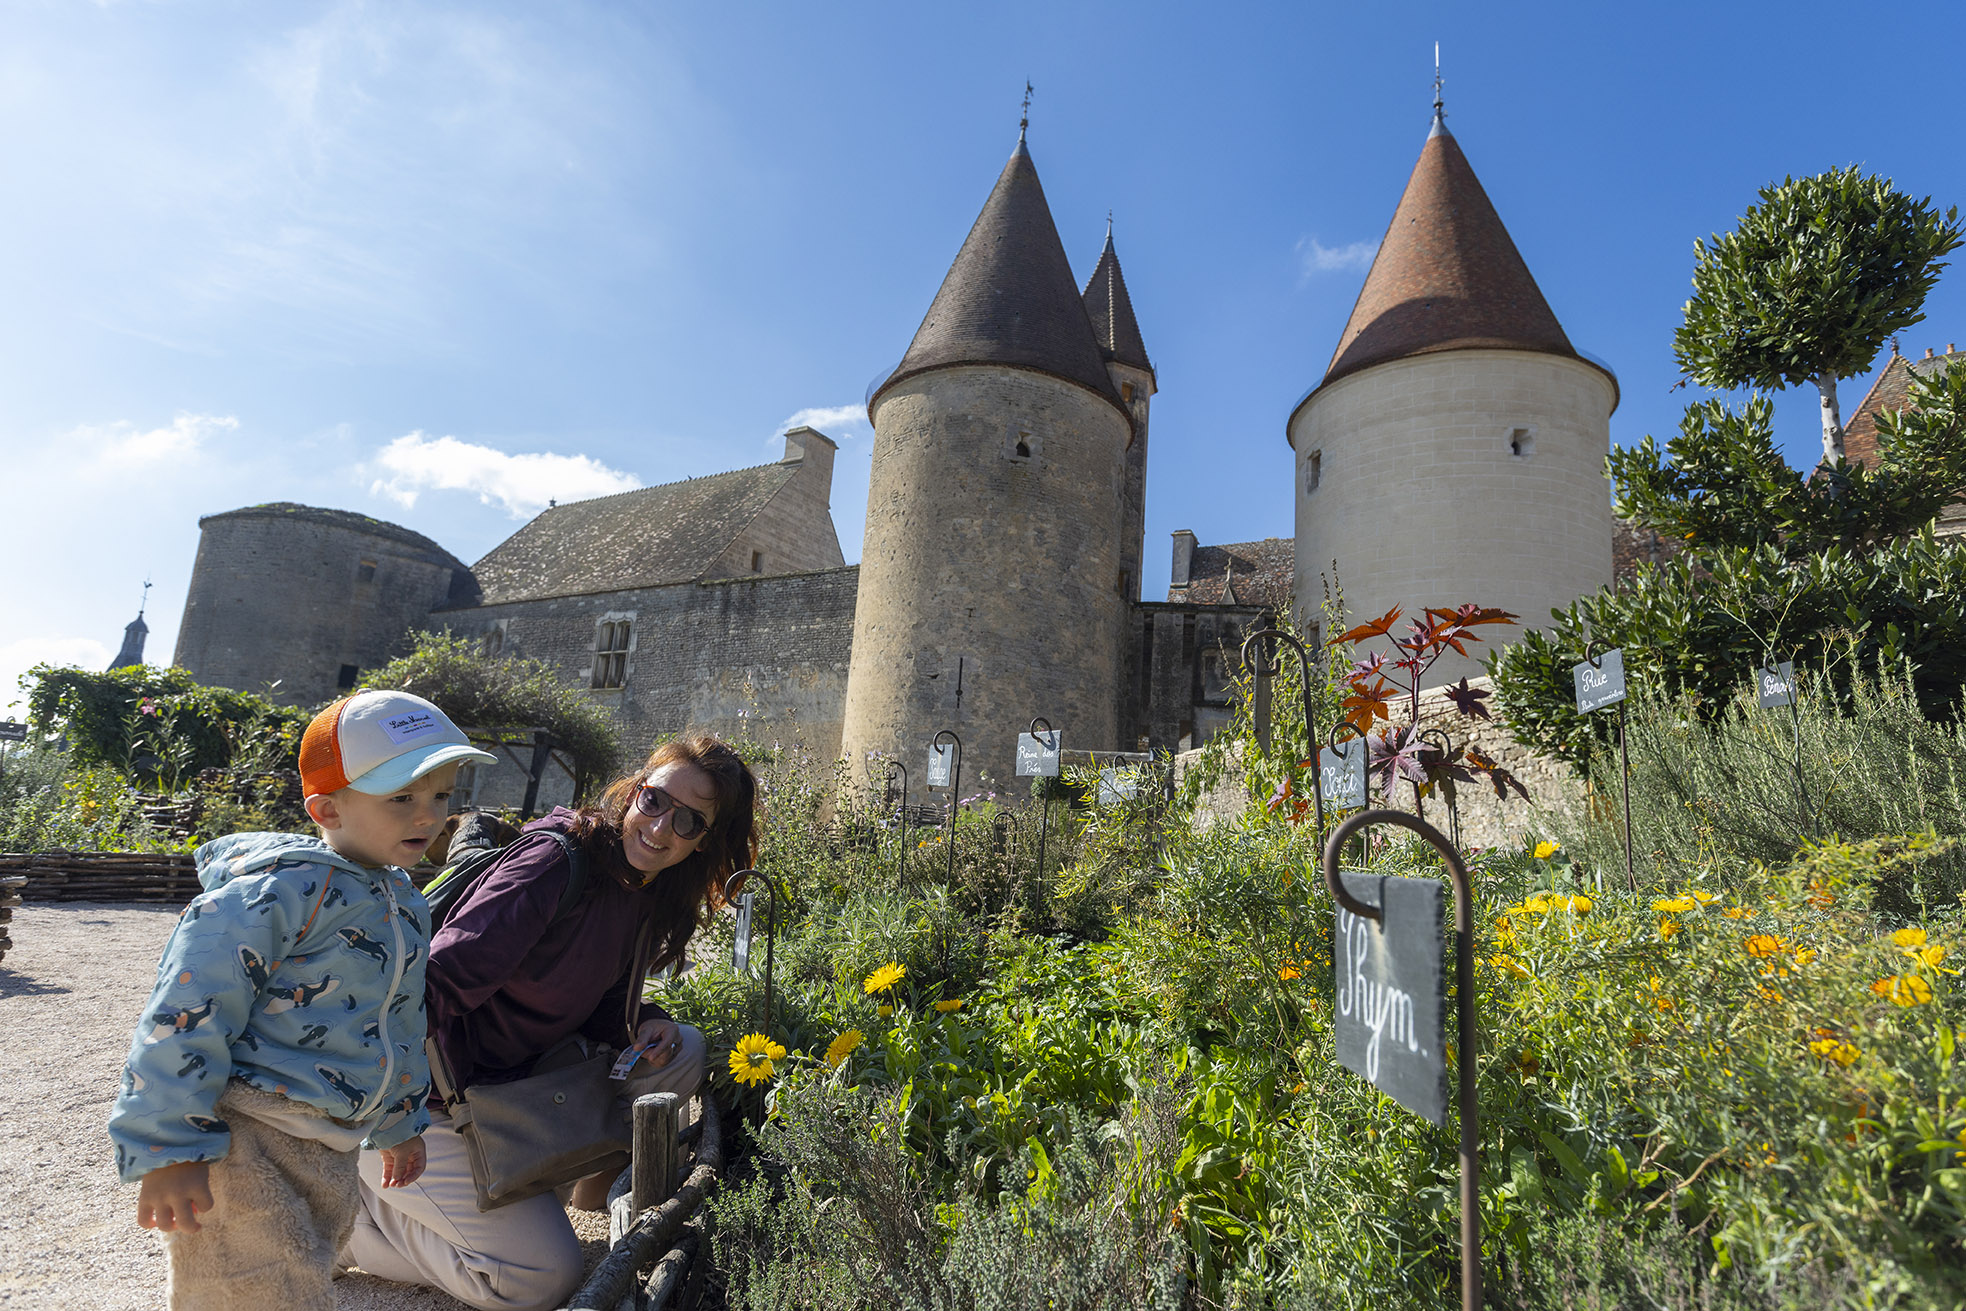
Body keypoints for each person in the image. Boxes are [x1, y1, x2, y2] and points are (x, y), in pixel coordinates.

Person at [109, 690, 497, 1311]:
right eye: (401, 798)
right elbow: (185, 1015)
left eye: (442, 796)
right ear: (326, 808)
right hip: (247, 1135)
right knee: (259, 1294)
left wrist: (399, 1123)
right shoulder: (272, 894)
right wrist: (168, 1146)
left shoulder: (403, 901)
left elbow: (400, 1019)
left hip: (331, 1142)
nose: (428, 816)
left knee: (302, 1276)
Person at [343, 735, 758, 1311]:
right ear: (634, 791)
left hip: (511, 1090)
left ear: (704, 841)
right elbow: (431, 991)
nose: (661, 827)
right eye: (656, 800)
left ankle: (572, 1194)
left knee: (683, 1047)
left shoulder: (642, 888)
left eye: (689, 821)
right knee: (542, 1277)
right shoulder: (555, 864)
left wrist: (644, 1019)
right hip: (431, 1098)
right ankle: (350, 1225)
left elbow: (599, 997)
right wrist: (393, 1117)